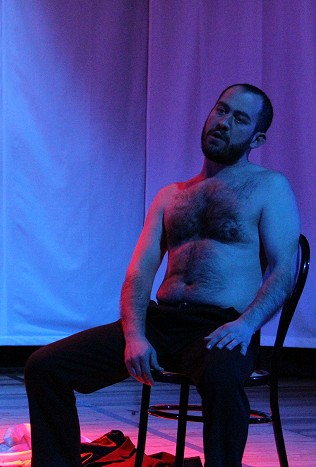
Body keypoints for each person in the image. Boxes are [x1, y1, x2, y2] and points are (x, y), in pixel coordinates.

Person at [24, 84, 300, 467]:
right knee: (45, 367)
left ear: (257, 138)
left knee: (222, 379)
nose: (224, 122)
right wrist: (135, 335)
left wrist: (246, 325)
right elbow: (139, 271)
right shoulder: (172, 195)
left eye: (239, 119)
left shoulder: (269, 187)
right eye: (221, 110)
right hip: (162, 322)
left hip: (221, 327)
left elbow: (284, 269)